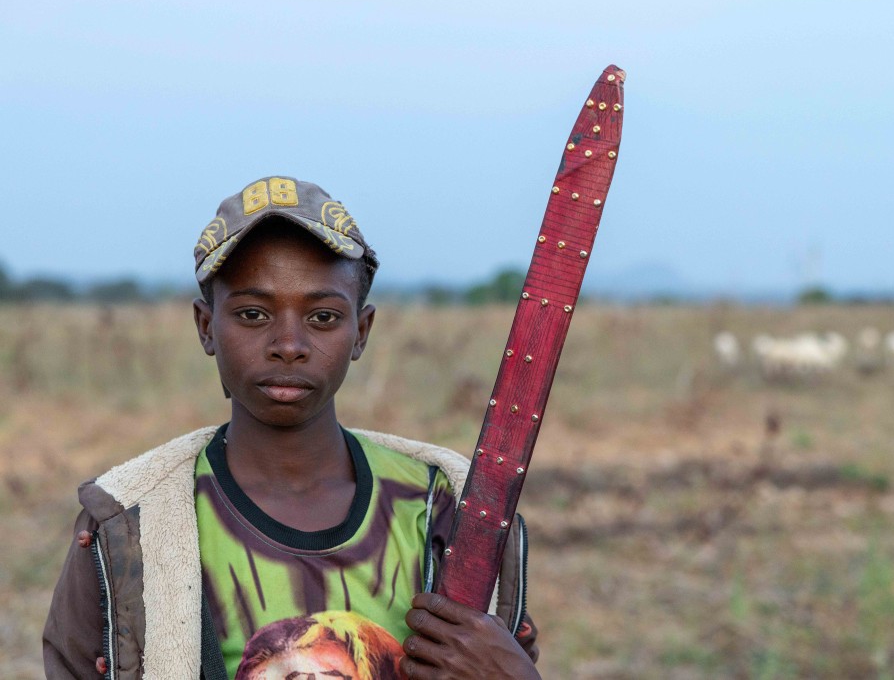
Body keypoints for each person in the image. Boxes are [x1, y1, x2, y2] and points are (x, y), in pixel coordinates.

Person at [43, 176, 539, 679]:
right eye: (253, 314)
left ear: (360, 332)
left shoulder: (448, 510)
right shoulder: (129, 521)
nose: (288, 343)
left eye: (323, 317)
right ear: (206, 326)